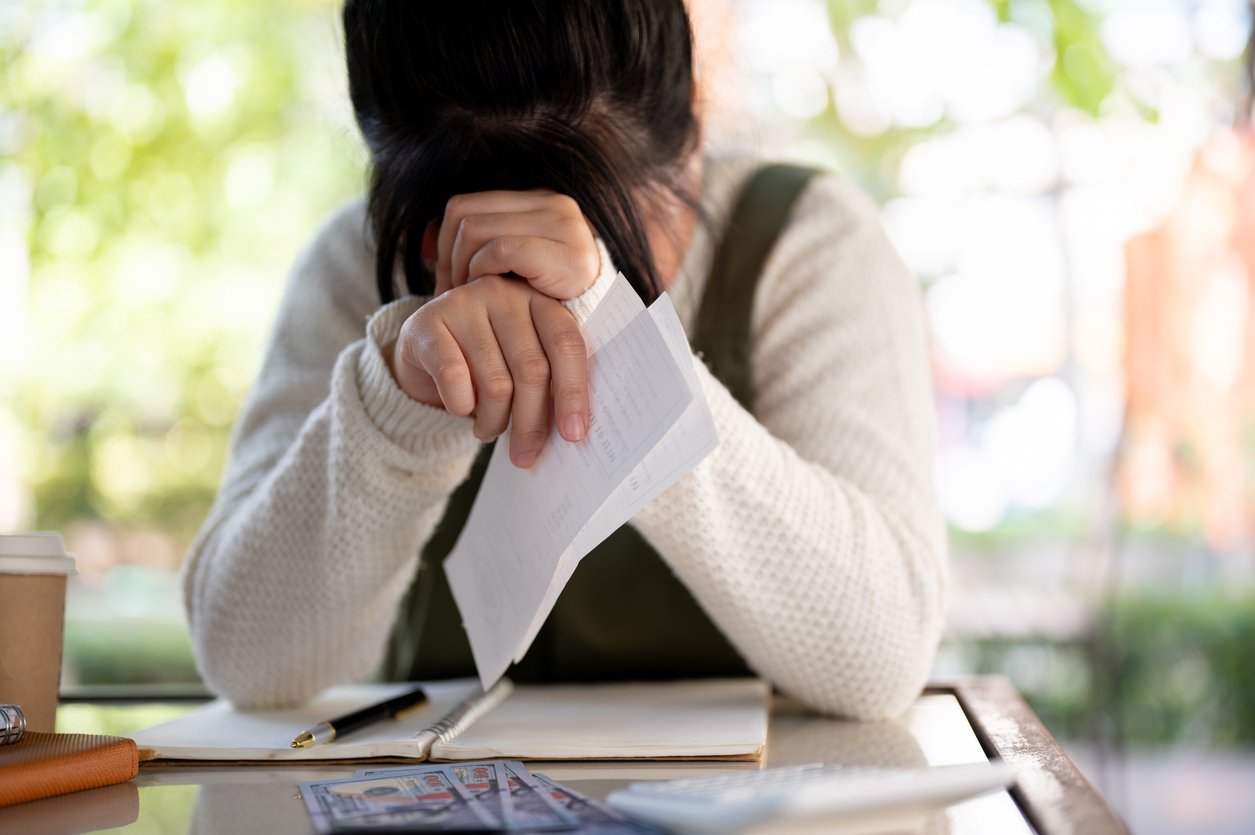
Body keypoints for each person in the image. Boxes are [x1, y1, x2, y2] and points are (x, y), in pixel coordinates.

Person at [182, 0, 946, 719]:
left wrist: (618, 338)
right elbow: (249, 667)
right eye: (461, 246)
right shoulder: (353, 271)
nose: (531, 292)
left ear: (697, 130)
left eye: (609, 234)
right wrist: (396, 409)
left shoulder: (805, 243)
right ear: (398, 206)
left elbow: (883, 655)